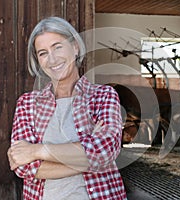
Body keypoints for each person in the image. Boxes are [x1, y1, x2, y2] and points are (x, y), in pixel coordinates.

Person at [7, 16, 127, 200]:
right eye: (43, 53)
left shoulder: (103, 96)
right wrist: (87, 158)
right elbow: (24, 167)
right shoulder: (27, 103)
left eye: (58, 47)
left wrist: (36, 150)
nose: (52, 58)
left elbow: (104, 152)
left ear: (75, 47)